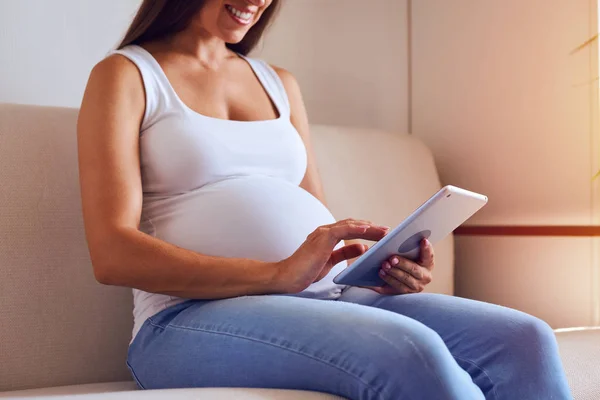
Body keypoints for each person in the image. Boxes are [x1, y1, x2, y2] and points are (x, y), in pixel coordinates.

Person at [76, 0, 572, 398]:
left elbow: (317, 222)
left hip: (332, 297)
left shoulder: (279, 83)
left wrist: (376, 268)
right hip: (187, 319)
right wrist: (275, 274)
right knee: (408, 349)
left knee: (524, 340)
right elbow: (112, 254)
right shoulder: (127, 75)